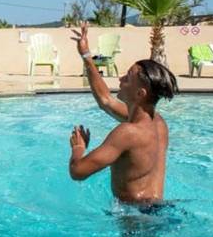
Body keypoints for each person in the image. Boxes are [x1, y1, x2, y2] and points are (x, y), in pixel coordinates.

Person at [67, 22, 178, 205]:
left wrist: (78, 149)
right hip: (158, 208)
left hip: (136, 218)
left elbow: (78, 172)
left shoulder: (127, 133)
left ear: (140, 93)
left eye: (128, 77)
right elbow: (106, 100)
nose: (121, 79)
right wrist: (86, 56)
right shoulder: (158, 123)